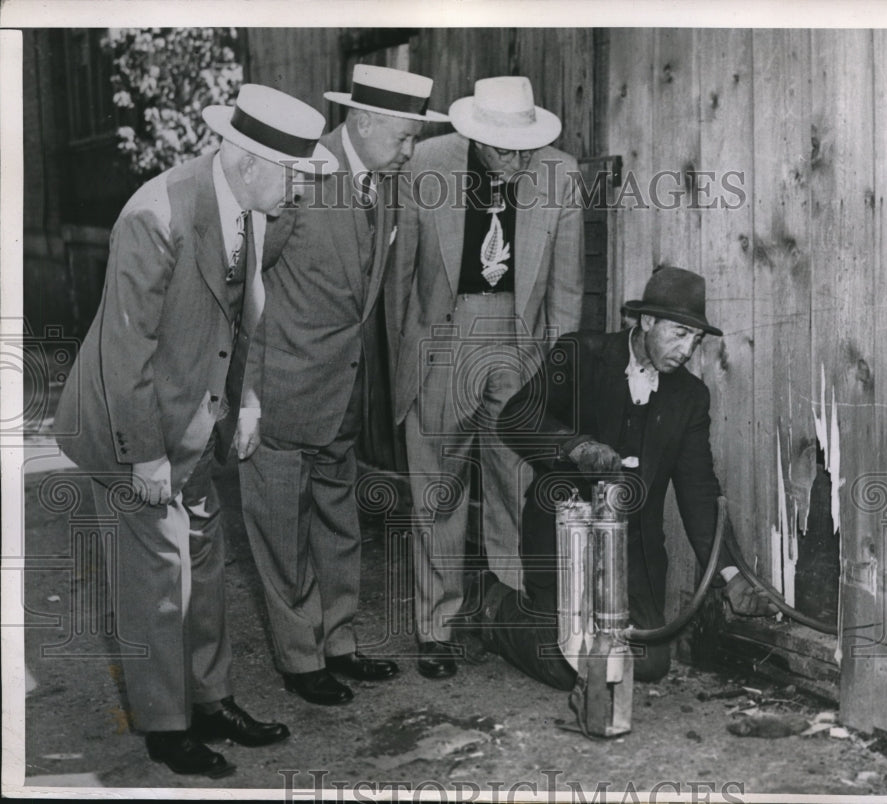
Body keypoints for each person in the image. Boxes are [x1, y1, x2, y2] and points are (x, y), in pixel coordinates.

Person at [53, 85, 337, 777]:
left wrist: (246, 405)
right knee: (155, 577)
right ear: (247, 163)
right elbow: (128, 353)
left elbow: (245, 318)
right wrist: (145, 457)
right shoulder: (154, 216)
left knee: (202, 564)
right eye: (294, 174)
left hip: (196, 415)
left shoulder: (255, 209)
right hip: (130, 426)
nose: (301, 189)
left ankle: (210, 701)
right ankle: (165, 726)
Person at [238, 65, 448, 706]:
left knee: (339, 523)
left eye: (416, 139)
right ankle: (301, 661)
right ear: (363, 120)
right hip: (281, 390)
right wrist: (245, 393)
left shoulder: (385, 185)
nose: (411, 151)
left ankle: (339, 643)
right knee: (282, 531)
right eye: (406, 137)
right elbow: (244, 284)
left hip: (343, 392)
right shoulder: (298, 171)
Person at [477, 266, 777, 691]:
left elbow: (698, 489)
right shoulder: (580, 353)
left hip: (631, 555)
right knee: (570, 665)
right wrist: (574, 446)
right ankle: (494, 608)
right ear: (647, 321)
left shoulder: (690, 398)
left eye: (695, 339)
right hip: (564, 540)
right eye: (678, 333)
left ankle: (584, 626)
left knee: (649, 663)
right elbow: (515, 418)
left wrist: (730, 575)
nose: (687, 349)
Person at [392, 76, 584, 680]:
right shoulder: (424, 163)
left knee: (516, 481)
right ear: (474, 135)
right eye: (503, 150)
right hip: (444, 335)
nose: (516, 161)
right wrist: (405, 366)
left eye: (524, 148)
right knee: (438, 489)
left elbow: (567, 293)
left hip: (519, 341)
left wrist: (555, 379)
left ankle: (511, 617)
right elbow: (397, 283)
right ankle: (437, 628)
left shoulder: (561, 173)